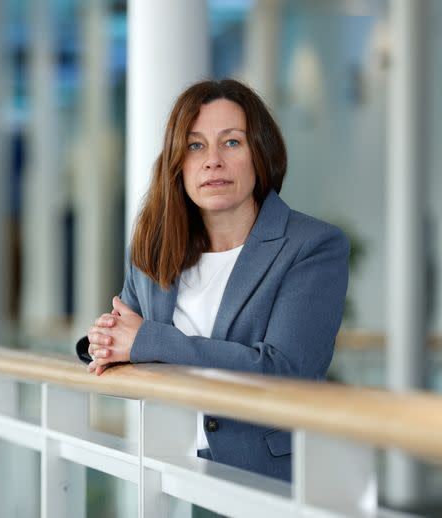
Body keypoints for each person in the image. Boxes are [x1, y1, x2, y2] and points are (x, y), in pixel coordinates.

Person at [75, 79, 350, 482]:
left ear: (261, 152)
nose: (212, 161)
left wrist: (148, 341)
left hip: (263, 481)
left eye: (232, 142)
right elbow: (124, 343)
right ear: (177, 161)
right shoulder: (154, 248)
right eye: (195, 145)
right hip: (161, 473)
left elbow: (285, 371)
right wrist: (102, 343)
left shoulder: (311, 246)